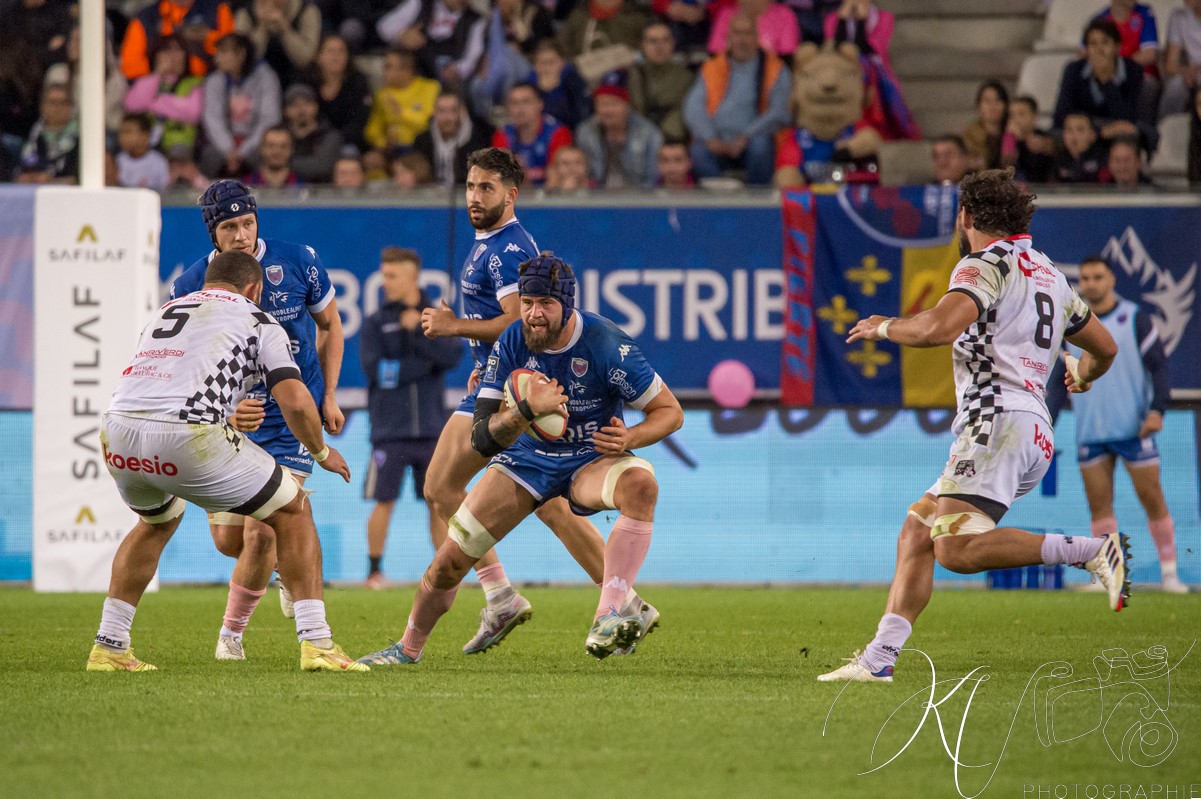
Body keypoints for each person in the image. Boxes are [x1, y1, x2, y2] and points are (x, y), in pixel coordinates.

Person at [820, 168, 1124, 683]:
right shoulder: (1049, 272)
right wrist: (1083, 374)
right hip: (1032, 429)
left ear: (965, 217)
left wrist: (884, 326)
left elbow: (938, 328)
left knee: (955, 549)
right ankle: (879, 659)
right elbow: (1106, 347)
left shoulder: (982, 265)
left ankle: (1094, 551)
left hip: (996, 423)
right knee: (918, 529)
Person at [356, 252, 683, 665]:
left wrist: (630, 436)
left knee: (641, 484)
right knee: (448, 564)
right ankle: (406, 649)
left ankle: (610, 612)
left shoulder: (606, 344)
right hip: (526, 460)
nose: (534, 314)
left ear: (568, 305)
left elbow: (671, 412)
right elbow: (481, 437)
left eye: (545, 304)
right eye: (527, 303)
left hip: (591, 456)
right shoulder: (512, 339)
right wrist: (526, 409)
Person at [87, 249, 364, 673]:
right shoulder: (258, 320)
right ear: (254, 289)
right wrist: (321, 451)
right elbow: (293, 398)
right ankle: (317, 643)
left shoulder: (167, 309)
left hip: (118, 431)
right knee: (294, 509)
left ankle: (109, 645)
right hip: (185, 433)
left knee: (154, 524)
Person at [413, 147, 635, 654]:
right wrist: (479, 361)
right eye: (470, 186)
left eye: (486, 188)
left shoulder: (508, 250)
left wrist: (453, 328)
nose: (474, 196)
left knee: (442, 485)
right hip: (502, 379)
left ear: (511, 194)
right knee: (550, 504)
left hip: (517, 389)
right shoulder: (492, 242)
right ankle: (622, 599)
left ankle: (499, 595)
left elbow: (519, 320)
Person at [169, 179, 346, 662]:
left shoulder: (297, 260)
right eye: (230, 226)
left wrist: (328, 395)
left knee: (263, 529)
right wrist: (226, 408)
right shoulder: (188, 286)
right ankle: (289, 569)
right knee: (232, 541)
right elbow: (182, 363)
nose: (242, 234)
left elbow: (330, 326)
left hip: (292, 416)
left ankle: (231, 636)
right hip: (228, 424)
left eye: (248, 222)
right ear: (213, 232)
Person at [1050, 257, 1187, 593]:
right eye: (1085, 278)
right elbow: (1057, 382)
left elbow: (1160, 367)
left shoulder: (1135, 318)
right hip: (1091, 431)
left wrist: (1158, 410)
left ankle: (1170, 575)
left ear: (1111, 279)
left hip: (1133, 427)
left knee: (1152, 498)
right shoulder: (1070, 324)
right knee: (1099, 504)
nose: (1091, 283)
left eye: (1098, 277)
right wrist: (1046, 425)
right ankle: (1106, 576)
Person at [360, 248, 463, 588]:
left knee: (437, 503)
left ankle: (445, 574)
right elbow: (378, 372)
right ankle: (374, 572)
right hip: (389, 430)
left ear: (412, 277)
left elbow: (452, 357)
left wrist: (419, 333)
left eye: (391, 276)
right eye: (384, 275)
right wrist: (423, 367)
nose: (385, 282)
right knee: (383, 501)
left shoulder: (436, 317)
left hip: (433, 429)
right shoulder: (376, 321)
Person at [684, 13, 792, 186]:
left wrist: (746, 137)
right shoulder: (711, 67)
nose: (742, 39)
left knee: (760, 146)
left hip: (754, 141)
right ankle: (718, 203)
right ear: (728, 37)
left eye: (747, 33)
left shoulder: (776, 68)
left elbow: (781, 112)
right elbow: (693, 108)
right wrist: (711, 138)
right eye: (737, 33)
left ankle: (757, 204)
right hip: (717, 142)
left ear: (757, 37)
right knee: (697, 151)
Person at [1053, 18, 1154, 152]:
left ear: (1117, 47)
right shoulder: (1074, 70)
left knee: (1128, 134)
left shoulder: (1133, 71)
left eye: (1105, 42)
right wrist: (1099, 131)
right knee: (1054, 137)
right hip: (1083, 130)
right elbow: (1061, 117)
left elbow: (1129, 118)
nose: (1099, 49)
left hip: (1117, 132)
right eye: (1093, 44)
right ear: (1086, 49)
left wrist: (1107, 81)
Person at [200, 32, 282, 178]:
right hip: (225, 146)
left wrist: (244, 151)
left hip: (255, 143)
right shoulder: (214, 80)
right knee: (209, 155)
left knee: (268, 152)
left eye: (224, 52)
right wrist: (229, 149)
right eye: (217, 53)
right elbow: (212, 119)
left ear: (241, 54)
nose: (217, 58)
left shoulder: (266, 77)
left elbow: (269, 119)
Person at [574, 70, 664, 188]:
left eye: (614, 104)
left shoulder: (649, 134)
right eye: (602, 104)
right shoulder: (585, 131)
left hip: (638, 199)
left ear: (627, 105)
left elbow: (653, 179)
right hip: (596, 198)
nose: (607, 110)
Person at [123, 34, 205, 155]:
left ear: (185, 55)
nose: (172, 55)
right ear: (156, 56)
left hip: (180, 144)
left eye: (178, 50)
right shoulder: (146, 80)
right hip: (146, 145)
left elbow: (193, 113)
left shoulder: (195, 82)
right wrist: (158, 73)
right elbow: (131, 106)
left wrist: (153, 102)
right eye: (166, 50)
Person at [491, 82, 573, 187]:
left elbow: (558, 178)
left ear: (540, 104)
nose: (520, 109)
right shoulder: (503, 135)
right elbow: (500, 181)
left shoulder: (558, 132)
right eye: (514, 103)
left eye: (526, 102)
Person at [363, 47, 440, 155]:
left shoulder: (430, 88)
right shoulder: (383, 94)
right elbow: (373, 128)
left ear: (407, 70)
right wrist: (382, 142)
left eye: (388, 67)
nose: (384, 71)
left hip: (422, 148)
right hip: (392, 150)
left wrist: (400, 112)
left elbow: (428, 123)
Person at [629, 21, 695, 143]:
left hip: (672, 140)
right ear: (642, 45)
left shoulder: (686, 77)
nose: (659, 47)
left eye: (665, 40)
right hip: (638, 139)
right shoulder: (631, 76)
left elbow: (688, 114)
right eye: (653, 41)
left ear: (673, 44)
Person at [413, 91, 492, 189]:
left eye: (453, 110)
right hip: (430, 200)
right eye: (441, 111)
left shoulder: (481, 140)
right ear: (434, 113)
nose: (447, 117)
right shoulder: (422, 141)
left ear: (463, 112)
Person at [234, 0, 322, 87]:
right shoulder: (245, 12)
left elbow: (304, 59)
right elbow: (242, 60)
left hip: (297, 80)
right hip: (254, 80)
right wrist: (262, 27)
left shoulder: (306, 11)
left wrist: (284, 28)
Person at [283, 82, 343, 183]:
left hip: (323, 194)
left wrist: (283, 164)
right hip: (284, 193)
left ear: (316, 107)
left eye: (306, 103)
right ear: (286, 110)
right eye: (295, 105)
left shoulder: (330, 135)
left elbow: (322, 167)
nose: (301, 110)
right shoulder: (278, 135)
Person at [1159, 0, 1201, 117]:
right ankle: (1164, 130)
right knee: (1176, 86)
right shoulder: (1179, 17)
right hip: (1192, 74)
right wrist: (1187, 71)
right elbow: (1170, 66)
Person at [1003, 95, 1055, 184]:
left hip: (1043, 191)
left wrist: (1024, 137)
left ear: (1034, 116)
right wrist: (1010, 138)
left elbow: (1049, 148)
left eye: (1021, 114)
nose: (1016, 119)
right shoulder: (1008, 138)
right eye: (1012, 115)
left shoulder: (1043, 138)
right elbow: (1007, 164)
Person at [962, 80, 1009, 172]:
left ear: (1006, 105)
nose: (993, 106)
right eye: (987, 101)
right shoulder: (970, 134)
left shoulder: (1013, 131)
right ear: (979, 105)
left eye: (998, 100)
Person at [116, 113, 171, 190]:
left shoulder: (159, 162)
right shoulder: (118, 161)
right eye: (121, 132)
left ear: (145, 136)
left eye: (128, 132)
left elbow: (165, 191)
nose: (122, 137)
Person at [1053, 112, 1105, 184]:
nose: (1074, 135)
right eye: (1069, 129)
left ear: (1092, 134)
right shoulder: (1057, 158)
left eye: (1080, 129)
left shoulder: (1102, 158)